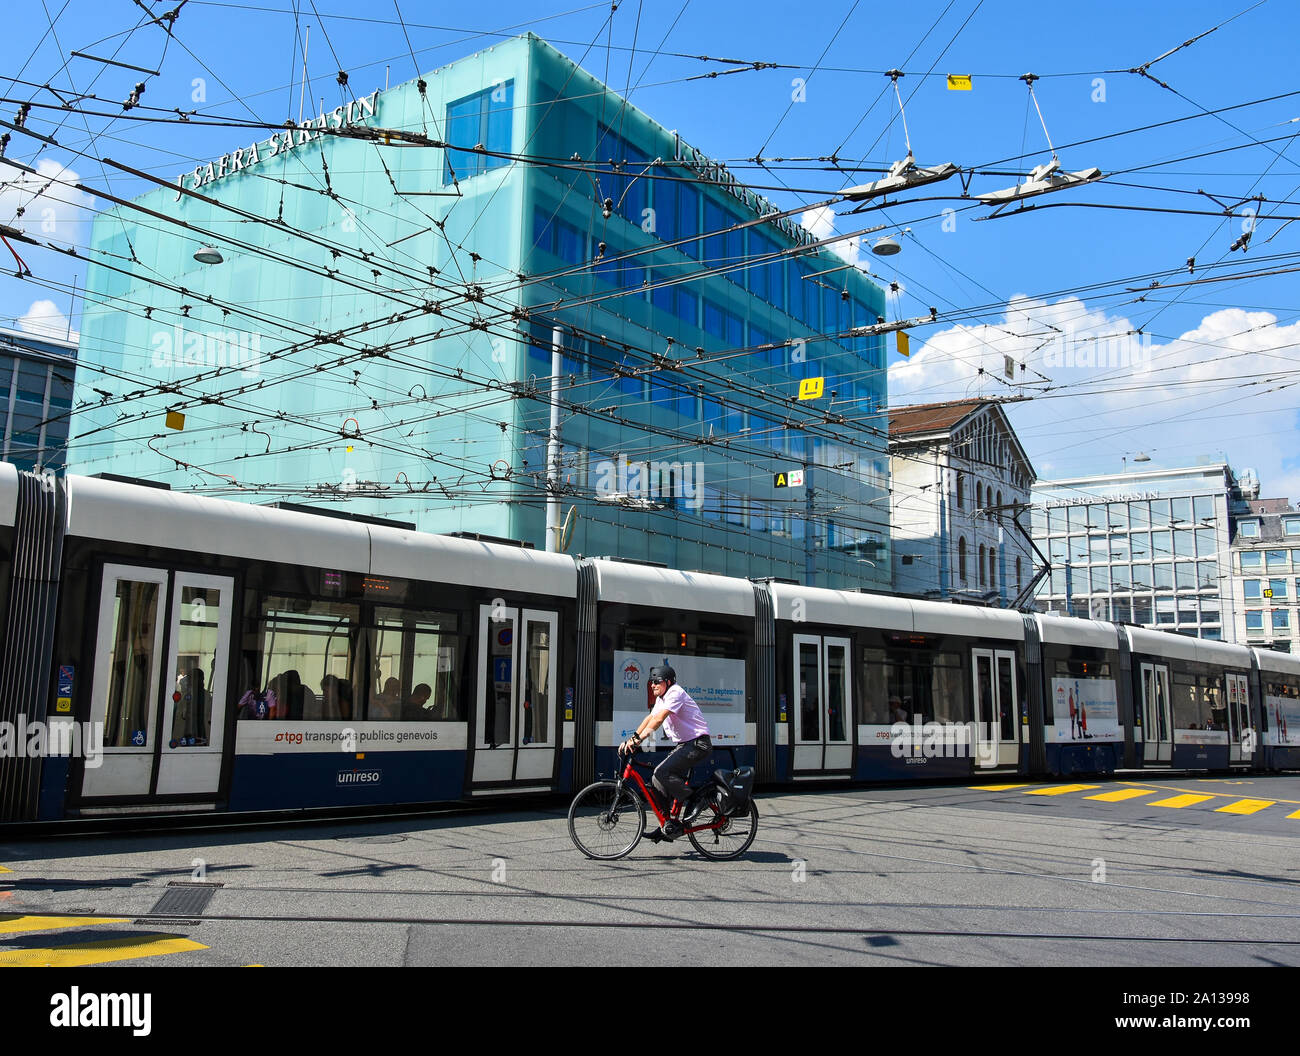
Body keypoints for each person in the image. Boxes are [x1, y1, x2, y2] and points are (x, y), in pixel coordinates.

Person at [619, 665, 711, 841]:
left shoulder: (675, 693)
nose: (652, 685)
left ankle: (697, 800)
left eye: (656, 681)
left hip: (698, 744)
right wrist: (633, 738)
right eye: (651, 682)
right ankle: (666, 825)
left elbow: (660, 720)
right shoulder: (662, 698)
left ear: (668, 682)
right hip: (685, 744)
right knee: (656, 778)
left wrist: (638, 740)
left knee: (662, 772)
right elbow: (650, 718)